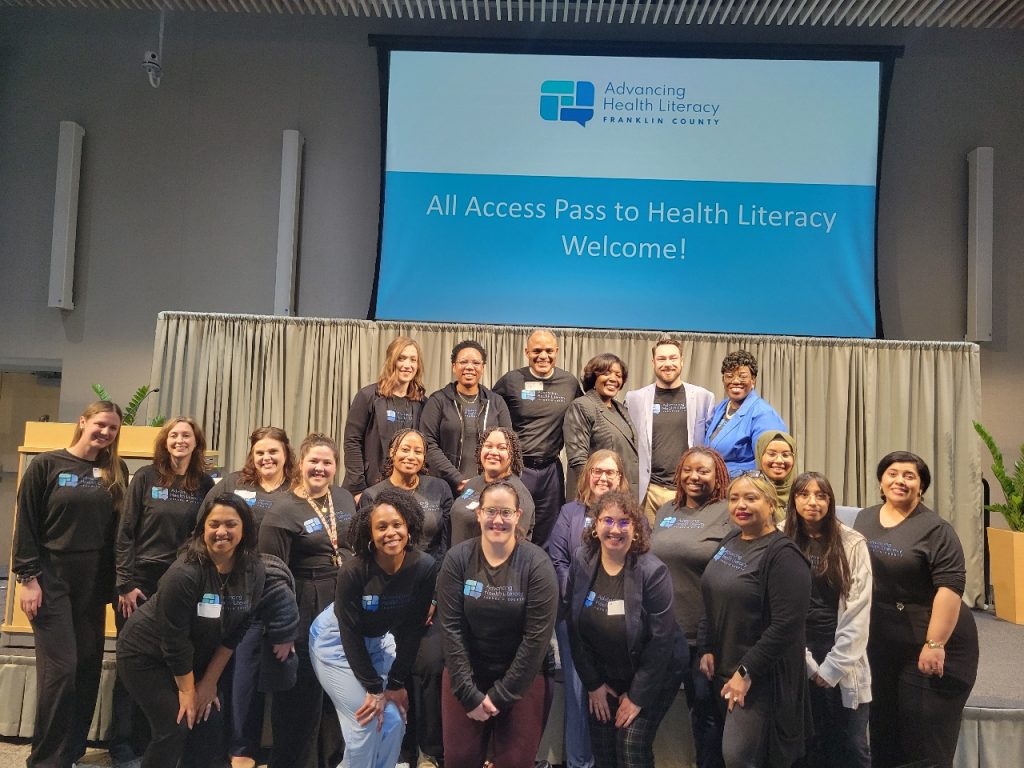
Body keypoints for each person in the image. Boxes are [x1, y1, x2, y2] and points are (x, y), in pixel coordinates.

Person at [116, 494, 297, 768]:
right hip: (146, 656)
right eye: (214, 524)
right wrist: (189, 691)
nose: (221, 532)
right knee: (176, 725)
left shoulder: (254, 570)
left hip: (196, 659)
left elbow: (238, 630)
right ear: (203, 529)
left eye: (230, 524)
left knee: (209, 727)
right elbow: (174, 640)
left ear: (244, 529)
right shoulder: (184, 573)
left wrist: (209, 683)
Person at [14, 400, 127, 768]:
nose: (105, 433)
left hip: (93, 581)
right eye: (100, 424)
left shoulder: (115, 469)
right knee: (60, 671)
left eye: (112, 428)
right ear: (83, 422)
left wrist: (117, 583)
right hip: (51, 578)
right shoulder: (47, 464)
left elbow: (117, 534)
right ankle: (46, 760)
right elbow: (27, 524)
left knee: (87, 667)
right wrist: (27, 579)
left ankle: (72, 751)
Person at [853, 452, 979, 768]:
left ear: (921, 487)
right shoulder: (864, 519)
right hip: (883, 641)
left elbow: (950, 590)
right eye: (893, 473)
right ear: (881, 481)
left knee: (922, 734)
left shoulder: (936, 529)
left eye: (910, 476)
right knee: (883, 726)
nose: (900, 481)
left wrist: (935, 644)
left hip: (933, 640)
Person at [309, 489, 439, 768]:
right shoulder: (354, 570)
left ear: (409, 527)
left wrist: (395, 684)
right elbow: (350, 633)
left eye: (397, 525)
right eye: (381, 527)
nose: (390, 532)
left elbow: (413, 629)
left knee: (394, 720)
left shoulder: (424, 567)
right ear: (370, 534)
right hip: (335, 643)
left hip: (378, 640)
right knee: (366, 722)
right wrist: (373, 688)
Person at [112, 417, 216, 763]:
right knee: (134, 662)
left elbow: (206, 536)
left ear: (196, 443)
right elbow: (126, 532)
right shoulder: (145, 477)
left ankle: (162, 743)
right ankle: (124, 744)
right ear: (165, 441)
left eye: (187, 435)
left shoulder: (204, 483)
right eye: (174, 435)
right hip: (139, 583)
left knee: (174, 659)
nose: (180, 440)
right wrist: (125, 584)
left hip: (181, 582)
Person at [437, 481, 558, 768]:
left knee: (515, 762)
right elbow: (451, 629)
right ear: (478, 514)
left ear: (518, 516)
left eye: (506, 512)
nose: (498, 520)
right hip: (467, 675)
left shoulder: (537, 564)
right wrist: (468, 692)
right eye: (491, 511)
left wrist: (501, 696)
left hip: (523, 677)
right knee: (460, 760)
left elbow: (536, 639)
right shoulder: (457, 559)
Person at [567, 490, 688, 768]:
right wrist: (594, 684)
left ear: (635, 530)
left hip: (654, 672)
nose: (615, 529)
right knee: (604, 749)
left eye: (624, 522)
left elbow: (661, 642)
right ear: (595, 525)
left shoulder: (652, 572)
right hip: (605, 673)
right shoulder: (582, 561)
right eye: (608, 520)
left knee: (631, 745)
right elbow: (574, 626)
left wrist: (636, 697)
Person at [199, 425, 297, 768]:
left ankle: (253, 748)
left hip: (277, 595)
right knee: (236, 672)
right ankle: (236, 749)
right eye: (260, 452)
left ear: (286, 453)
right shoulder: (233, 485)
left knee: (263, 675)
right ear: (251, 456)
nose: (267, 458)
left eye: (274, 451)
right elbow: (205, 528)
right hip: (232, 593)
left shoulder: (296, 489)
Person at [699, 472, 811, 768]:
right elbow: (711, 591)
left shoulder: (784, 555)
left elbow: (787, 625)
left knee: (738, 757)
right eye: (734, 498)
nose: (741, 505)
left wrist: (746, 671)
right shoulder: (733, 537)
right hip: (725, 670)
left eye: (751, 498)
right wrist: (706, 645)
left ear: (771, 504)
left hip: (760, 679)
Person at [259, 434, 357, 768]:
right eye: (313, 461)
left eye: (327, 462)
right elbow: (271, 576)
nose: (320, 468)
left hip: (341, 602)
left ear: (335, 467)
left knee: (337, 691)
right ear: (300, 464)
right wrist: (282, 631)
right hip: (301, 603)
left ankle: (332, 760)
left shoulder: (344, 499)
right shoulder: (282, 511)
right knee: (302, 694)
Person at [357, 429, 452, 767]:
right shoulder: (373, 495)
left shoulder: (438, 489)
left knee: (428, 668)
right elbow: (365, 550)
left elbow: (445, 548)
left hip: (429, 595)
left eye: (419, 450)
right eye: (405, 449)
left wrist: (435, 598)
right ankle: (399, 750)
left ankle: (430, 751)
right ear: (392, 452)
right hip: (387, 599)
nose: (411, 455)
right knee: (392, 670)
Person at [547, 449, 632, 768]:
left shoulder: (631, 515)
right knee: (578, 693)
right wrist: (583, 595)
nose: (603, 477)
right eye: (597, 471)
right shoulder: (570, 513)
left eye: (611, 472)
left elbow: (637, 561)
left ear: (621, 478)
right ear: (587, 476)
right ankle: (579, 762)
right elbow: (557, 560)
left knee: (613, 689)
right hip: (574, 619)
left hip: (616, 621)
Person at [649, 447, 732, 768]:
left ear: (718, 476)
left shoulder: (727, 512)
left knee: (707, 716)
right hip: (664, 635)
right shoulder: (666, 510)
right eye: (688, 470)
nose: (694, 477)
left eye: (704, 471)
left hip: (705, 639)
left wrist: (710, 638)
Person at [783, 472, 872, 768]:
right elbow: (777, 610)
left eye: (821, 495)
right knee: (806, 746)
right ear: (793, 500)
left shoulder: (851, 542)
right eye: (804, 494)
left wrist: (832, 667)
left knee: (851, 746)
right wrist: (809, 666)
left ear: (830, 502)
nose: (812, 502)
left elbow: (858, 610)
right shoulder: (780, 540)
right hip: (796, 652)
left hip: (842, 654)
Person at [493, 329, 583, 546]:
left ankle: (541, 576)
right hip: (517, 468)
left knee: (550, 532)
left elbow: (584, 415)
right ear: (527, 352)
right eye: (537, 351)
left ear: (557, 352)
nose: (543, 356)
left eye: (549, 351)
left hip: (551, 469)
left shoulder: (569, 383)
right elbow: (489, 411)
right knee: (514, 526)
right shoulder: (511, 381)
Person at [625, 337, 716, 523]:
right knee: (646, 546)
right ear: (653, 362)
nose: (668, 364)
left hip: (686, 490)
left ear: (682, 360)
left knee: (682, 547)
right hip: (648, 491)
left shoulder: (703, 397)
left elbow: (711, 446)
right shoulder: (635, 399)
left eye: (673, 358)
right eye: (662, 359)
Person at [421, 339, 513, 494]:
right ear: (454, 366)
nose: (469, 367)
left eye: (476, 363)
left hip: (488, 486)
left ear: (483, 367)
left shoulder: (496, 402)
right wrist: (457, 478)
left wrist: (484, 480)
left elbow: (508, 444)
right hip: (444, 486)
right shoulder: (438, 401)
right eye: (463, 362)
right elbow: (428, 443)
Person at [343, 336, 427, 502]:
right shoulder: (368, 396)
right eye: (401, 358)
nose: (407, 365)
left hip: (407, 489)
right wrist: (358, 488)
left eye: (413, 360)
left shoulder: (423, 403)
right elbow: (352, 442)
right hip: (368, 486)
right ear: (391, 361)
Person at [564, 354, 640, 503]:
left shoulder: (621, 409)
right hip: (595, 498)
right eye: (606, 373)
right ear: (593, 378)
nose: (613, 379)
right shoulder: (582, 406)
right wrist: (594, 496)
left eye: (618, 375)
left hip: (622, 496)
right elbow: (578, 460)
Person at [704, 350, 787, 477]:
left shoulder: (764, 415)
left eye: (742, 376)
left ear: (753, 380)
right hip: (716, 488)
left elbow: (769, 465)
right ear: (723, 379)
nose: (735, 381)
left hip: (742, 489)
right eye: (729, 375)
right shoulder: (721, 408)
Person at [449, 426, 536, 545]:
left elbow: (514, 546)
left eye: (502, 448)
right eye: (488, 446)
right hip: (457, 560)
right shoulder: (471, 483)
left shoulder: (517, 494)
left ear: (513, 454)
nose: (493, 452)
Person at [756, 430, 798, 522]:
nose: (779, 460)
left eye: (786, 455)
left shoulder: (802, 491)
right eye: (771, 454)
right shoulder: (749, 491)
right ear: (760, 456)